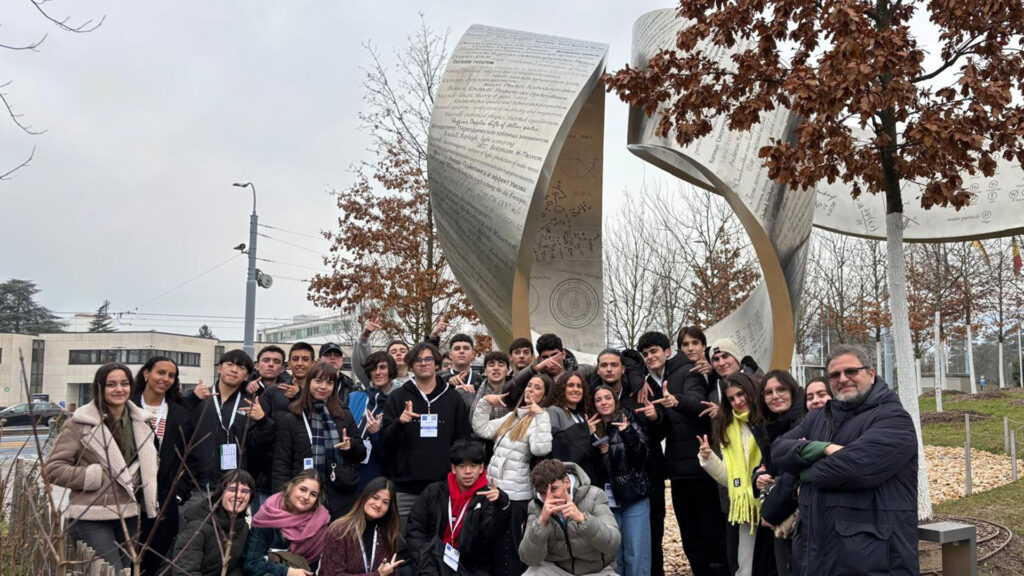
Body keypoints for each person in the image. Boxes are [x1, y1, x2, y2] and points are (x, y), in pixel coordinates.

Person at [773, 345, 918, 576]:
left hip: (871, 559)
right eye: (835, 375)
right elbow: (779, 450)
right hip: (816, 553)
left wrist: (803, 471)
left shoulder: (894, 419)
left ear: (870, 374)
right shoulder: (819, 417)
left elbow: (853, 469)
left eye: (851, 371)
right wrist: (824, 448)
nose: (843, 379)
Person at [45, 363, 159, 573]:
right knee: (109, 570)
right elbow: (52, 468)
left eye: (124, 384)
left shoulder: (141, 422)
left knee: (128, 570)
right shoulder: (81, 423)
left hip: (131, 513)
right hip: (93, 515)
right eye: (111, 384)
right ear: (100, 388)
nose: (119, 389)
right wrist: (91, 476)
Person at [662, 325, 728, 576]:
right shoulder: (675, 372)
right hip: (682, 465)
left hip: (710, 462)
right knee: (691, 534)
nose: (690, 348)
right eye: (685, 344)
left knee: (714, 530)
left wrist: (713, 374)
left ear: (704, 345)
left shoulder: (715, 370)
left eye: (695, 343)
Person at [381, 342, 472, 523]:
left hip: (442, 486)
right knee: (404, 543)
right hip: (405, 488)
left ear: (437, 364)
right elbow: (385, 442)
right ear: (411, 366)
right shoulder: (397, 397)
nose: (423, 363)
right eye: (418, 360)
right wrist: (400, 423)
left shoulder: (453, 398)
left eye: (428, 359)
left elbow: (462, 440)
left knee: (437, 541)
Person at [696, 373, 775, 576]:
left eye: (741, 394)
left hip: (773, 503)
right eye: (731, 398)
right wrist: (708, 458)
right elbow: (729, 479)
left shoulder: (769, 420)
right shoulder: (728, 427)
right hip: (745, 509)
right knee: (744, 567)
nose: (738, 401)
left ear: (751, 392)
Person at [474, 373, 553, 576]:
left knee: (511, 550)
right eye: (529, 386)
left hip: (516, 497)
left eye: (537, 388)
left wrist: (541, 415)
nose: (530, 390)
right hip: (494, 490)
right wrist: (484, 402)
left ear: (545, 396)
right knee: (494, 548)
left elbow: (540, 449)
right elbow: (482, 429)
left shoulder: (541, 419)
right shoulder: (513, 416)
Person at [272, 362, 366, 519]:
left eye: (329, 383)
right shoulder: (292, 417)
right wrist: (280, 500)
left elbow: (361, 454)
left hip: (339, 494)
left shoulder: (343, 415)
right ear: (309, 383)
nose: (324, 387)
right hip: (302, 495)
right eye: (318, 381)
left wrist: (350, 447)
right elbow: (281, 463)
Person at [131, 356, 197, 575]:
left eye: (171, 375)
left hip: (164, 497)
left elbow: (188, 459)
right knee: (124, 554)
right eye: (160, 372)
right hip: (126, 492)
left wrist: (178, 494)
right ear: (146, 373)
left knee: (154, 558)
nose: (165, 379)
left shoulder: (180, 414)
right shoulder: (126, 406)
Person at [406, 440, 511, 576]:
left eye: (473, 466)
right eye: (462, 466)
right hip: (432, 562)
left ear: (481, 468)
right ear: (453, 469)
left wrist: (501, 505)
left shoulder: (489, 497)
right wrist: (428, 565)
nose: (468, 471)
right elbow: (415, 530)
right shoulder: (434, 492)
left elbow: (491, 536)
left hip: (470, 568)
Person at [187, 350, 275, 507]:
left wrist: (262, 421)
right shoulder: (198, 398)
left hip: (234, 487)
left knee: (230, 531)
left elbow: (261, 446)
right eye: (229, 364)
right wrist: (191, 399)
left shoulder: (252, 404)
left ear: (247, 376)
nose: (234, 370)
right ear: (219, 368)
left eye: (241, 367)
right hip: (196, 486)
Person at [519, 458, 620, 576]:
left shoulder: (594, 495)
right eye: (543, 493)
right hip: (557, 570)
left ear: (566, 482)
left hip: (596, 571)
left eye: (554, 489)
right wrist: (541, 523)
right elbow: (529, 559)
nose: (549, 498)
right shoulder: (536, 506)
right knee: (532, 573)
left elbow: (613, 544)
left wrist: (583, 519)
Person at [592, 385, 651, 576]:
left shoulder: (628, 419)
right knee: (613, 553)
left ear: (614, 400)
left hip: (634, 494)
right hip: (607, 499)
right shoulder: (594, 427)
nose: (603, 403)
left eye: (607, 398)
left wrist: (627, 433)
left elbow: (642, 455)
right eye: (598, 400)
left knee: (636, 551)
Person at [750, 370, 805, 576]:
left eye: (781, 389)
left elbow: (793, 472)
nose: (775, 396)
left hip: (797, 514)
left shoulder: (803, 421)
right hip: (778, 510)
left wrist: (770, 512)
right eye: (768, 392)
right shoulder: (768, 425)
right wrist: (757, 477)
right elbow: (766, 465)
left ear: (793, 390)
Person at [243, 469, 331, 576]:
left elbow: (312, 568)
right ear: (292, 486)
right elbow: (251, 565)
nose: (306, 497)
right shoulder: (269, 515)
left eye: (313, 494)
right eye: (302, 489)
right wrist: (287, 572)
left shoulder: (319, 523)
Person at [170, 470, 254, 576]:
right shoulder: (198, 526)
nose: (238, 495)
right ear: (221, 493)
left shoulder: (243, 528)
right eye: (232, 489)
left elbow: (236, 568)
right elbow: (184, 571)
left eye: (244, 491)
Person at [320, 477, 405, 576]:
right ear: (365, 497)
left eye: (385, 502)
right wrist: (377, 575)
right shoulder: (339, 530)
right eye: (375, 497)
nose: (378, 504)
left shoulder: (387, 533)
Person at [348, 351, 400, 491]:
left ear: (391, 371)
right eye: (373, 368)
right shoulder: (354, 397)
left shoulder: (398, 402)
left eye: (382, 367)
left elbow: (395, 449)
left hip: (379, 474)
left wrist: (376, 434)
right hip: (350, 471)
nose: (377, 372)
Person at [544, 371, 599, 483]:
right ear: (562, 388)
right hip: (567, 479)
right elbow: (556, 445)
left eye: (579, 386)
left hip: (586, 476)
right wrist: (584, 431)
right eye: (570, 385)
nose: (576, 389)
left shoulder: (581, 416)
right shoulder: (554, 411)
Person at [352, 315, 412, 386]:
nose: (398, 353)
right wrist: (364, 337)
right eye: (393, 352)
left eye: (403, 351)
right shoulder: (378, 379)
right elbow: (360, 363)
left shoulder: (418, 380)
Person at [443, 333, 484, 406]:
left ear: (473, 354)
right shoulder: (439, 378)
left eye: (466, 348)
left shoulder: (481, 381)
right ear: (450, 355)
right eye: (457, 348)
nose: (461, 351)